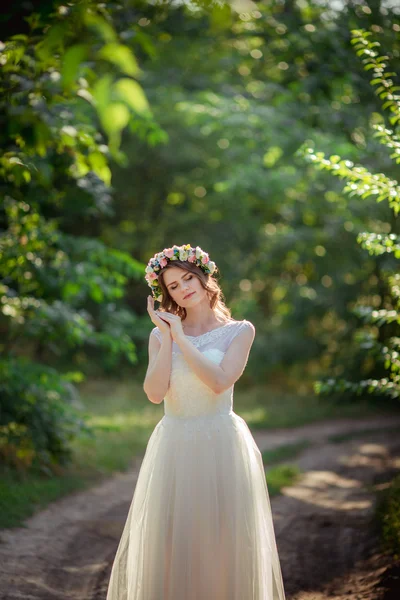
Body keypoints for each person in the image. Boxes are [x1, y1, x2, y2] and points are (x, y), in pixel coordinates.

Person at [106, 243, 286, 600]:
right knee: (172, 541)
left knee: (219, 541)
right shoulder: (160, 334)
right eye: (173, 286)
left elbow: (219, 381)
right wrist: (168, 335)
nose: (184, 288)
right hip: (173, 443)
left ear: (204, 277)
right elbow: (155, 393)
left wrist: (181, 339)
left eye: (188, 278)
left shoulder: (240, 331)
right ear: (166, 293)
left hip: (220, 443)